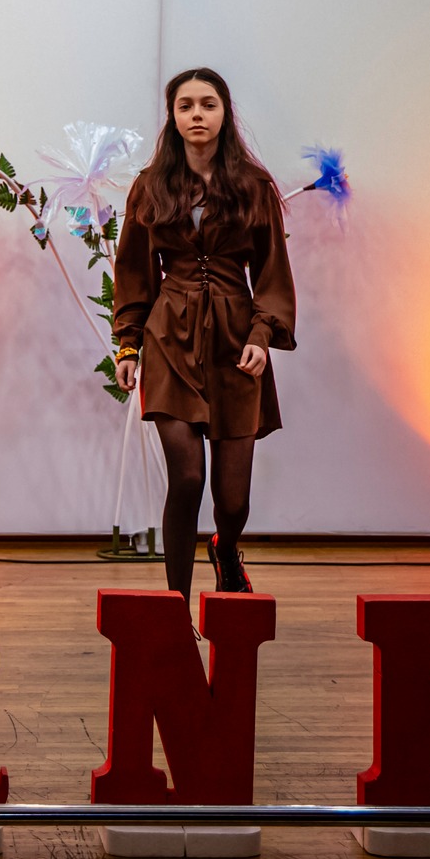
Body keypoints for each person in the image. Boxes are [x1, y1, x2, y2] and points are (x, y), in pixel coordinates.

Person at [112, 68, 295, 601]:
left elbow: (272, 272)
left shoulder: (254, 186)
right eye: (186, 105)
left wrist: (261, 335)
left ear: (224, 113)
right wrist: (129, 343)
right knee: (188, 477)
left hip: (237, 342)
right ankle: (175, 607)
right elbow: (134, 271)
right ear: (173, 116)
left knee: (232, 501)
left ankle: (225, 546)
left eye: (208, 104)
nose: (197, 114)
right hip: (170, 337)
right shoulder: (150, 186)